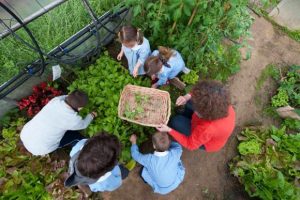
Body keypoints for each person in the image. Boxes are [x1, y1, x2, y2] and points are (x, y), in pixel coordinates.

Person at [156, 80, 236, 152]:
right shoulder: (220, 102)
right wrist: (186, 97)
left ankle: (180, 121)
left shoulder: (207, 129)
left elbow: (190, 144)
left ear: (203, 114)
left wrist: (169, 130)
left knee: (175, 121)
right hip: (203, 121)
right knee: (189, 102)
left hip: (206, 140)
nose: (195, 109)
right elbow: (201, 92)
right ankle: (185, 115)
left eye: (196, 110)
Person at [20, 90, 97, 156]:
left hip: (25, 134)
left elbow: (65, 97)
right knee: (74, 136)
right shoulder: (73, 119)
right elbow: (83, 125)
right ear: (80, 108)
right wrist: (91, 115)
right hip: (41, 149)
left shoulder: (55, 101)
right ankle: (79, 142)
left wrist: (73, 99)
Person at [65, 133, 129, 195]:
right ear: (112, 165)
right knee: (125, 172)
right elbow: (117, 182)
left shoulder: (76, 149)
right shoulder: (109, 183)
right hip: (115, 174)